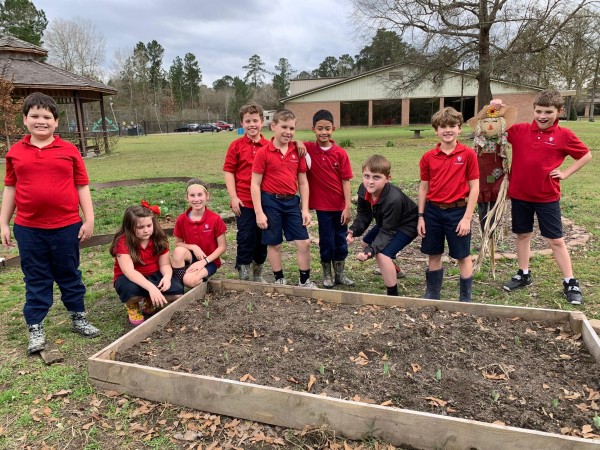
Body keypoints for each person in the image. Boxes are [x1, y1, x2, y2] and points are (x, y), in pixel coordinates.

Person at [0, 92, 100, 354]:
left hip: (66, 227)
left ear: (56, 122)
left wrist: (88, 218)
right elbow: (10, 188)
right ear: (25, 120)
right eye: (35, 116)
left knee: (69, 274)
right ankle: (35, 327)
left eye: (46, 117)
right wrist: (3, 223)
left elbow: (82, 185)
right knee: (36, 278)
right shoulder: (15, 153)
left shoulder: (69, 151)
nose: (40, 121)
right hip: (29, 229)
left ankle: (78, 317)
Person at [493, 90, 592, 305]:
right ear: (534, 110)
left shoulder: (564, 135)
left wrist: (565, 173)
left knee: (555, 239)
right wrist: (496, 109)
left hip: (547, 196)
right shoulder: (519, 131)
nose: (542, 116)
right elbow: (491, 127)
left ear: (559, 111)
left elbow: (586, 155)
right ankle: (523, 274)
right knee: (522, 235)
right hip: (520, 195)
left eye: (548, 111)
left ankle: (570, 282)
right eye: (539, 111)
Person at [418, 107, 479, 302]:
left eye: (452, 126)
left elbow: (475, 187)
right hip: (433, 212)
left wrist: (467, 218)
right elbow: (423, 187)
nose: (448, 130)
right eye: (443, 126)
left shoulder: (468, 154)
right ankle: (433, 293)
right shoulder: (428, 157)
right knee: (434, 253)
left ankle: (465, 296)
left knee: (463, 255)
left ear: (459, 129)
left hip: (458, 212)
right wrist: (421, 217)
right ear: (436, 130)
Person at [250, 108, 316, 288]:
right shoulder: (264, 152)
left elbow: (303, 182)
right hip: (270, 202)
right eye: (284, 127)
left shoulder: (297, 151)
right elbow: (255, 184)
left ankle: (305, 281)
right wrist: (259, 213)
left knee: (303, 242)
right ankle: (279, 278)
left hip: (292, 202)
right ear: (273, 126)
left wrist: (305, 209)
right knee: (274, 243)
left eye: (292, 128)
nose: (288, 132)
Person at [347, 155, 418, 296]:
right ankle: (394, 270)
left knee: (382, 256)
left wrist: (370, 252)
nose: (370, 182)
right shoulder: (363, 189)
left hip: (407, 224)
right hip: (388, 223)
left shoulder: (393, 199)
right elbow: (364, 214)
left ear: (388, 178)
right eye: (366, 176)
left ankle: (392, 295)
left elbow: (387, 232)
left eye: (376, 177)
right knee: (365, 242)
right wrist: (352, 231)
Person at [110, 205, 184, 326]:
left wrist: (166, 277)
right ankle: (132, 305)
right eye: (140, 227)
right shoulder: (123, 242)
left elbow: (164, 263)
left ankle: (149, 299)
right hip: (131, 278)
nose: (146, 230)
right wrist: (151, 288)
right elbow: (129, 272)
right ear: (130, 227)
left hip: (154, 274)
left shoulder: (159, 238)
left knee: (178, 293)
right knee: (130, 291)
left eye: (149, 226)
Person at [304, 109, 354, 288]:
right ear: (313, 129)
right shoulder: (309, 149)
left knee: (340, 240)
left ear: (333, 128)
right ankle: (327, 274)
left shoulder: (340, 153)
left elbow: (346, 181)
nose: (323, 132)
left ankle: (340, 274)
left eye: (327, 128)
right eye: (319, 128)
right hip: (322, 207)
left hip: (340, 206)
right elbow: (289, 142)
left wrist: (347, 206)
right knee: (327, 240)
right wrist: (299, 144)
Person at [223, 103, 269, 282]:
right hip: (244, 201)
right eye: (247, 121)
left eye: (255, 120)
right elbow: (228, 171)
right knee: (245, 237)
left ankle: (258, 272)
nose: (252, 124)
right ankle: (243, 271)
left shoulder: (269, 145)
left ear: (262, 122)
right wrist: (233, 197)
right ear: (242, 123)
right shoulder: (236, 146)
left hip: (265, 201)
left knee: (263, 238)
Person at [172, 180, 227, 288]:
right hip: (192, 257)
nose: (196, 199)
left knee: (189, 281)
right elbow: (178, 243)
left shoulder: (215, 219)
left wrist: (204, 262)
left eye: (200, 195)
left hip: (209, 260)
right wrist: (194, 247)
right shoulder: (181, 219)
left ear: (207, 196)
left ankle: (198, 278)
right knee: (178, 252)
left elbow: (222, 246)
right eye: (192, 195)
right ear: (187, 197)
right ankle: (178, 289)